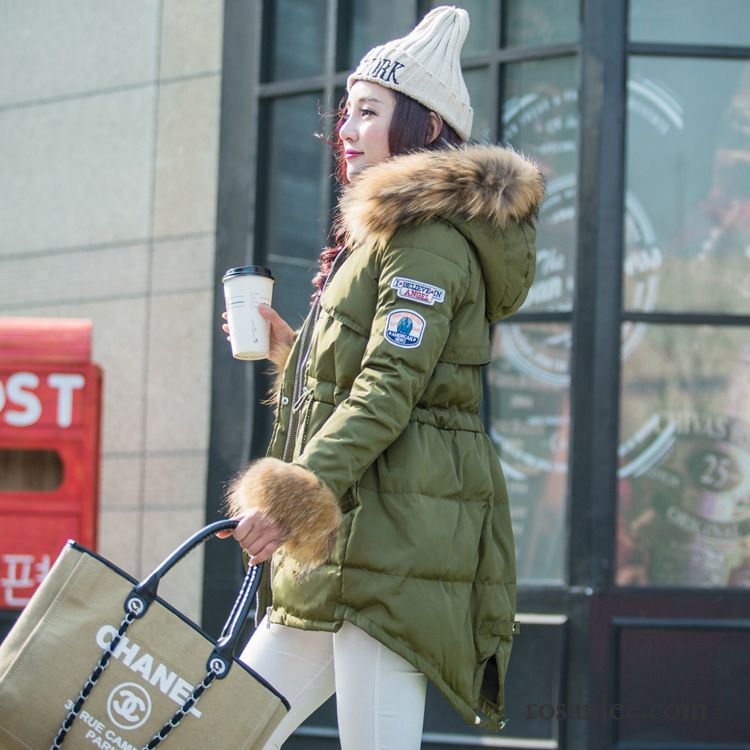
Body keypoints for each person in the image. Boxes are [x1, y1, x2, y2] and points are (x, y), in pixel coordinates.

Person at [221, 6, 544, 748]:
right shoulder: (386, 237)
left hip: (394, 548)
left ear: (426, 126)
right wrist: (290, 352)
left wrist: (295, 497)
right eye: (346, 110)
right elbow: (384, 372)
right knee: (226, 732)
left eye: (368, 111)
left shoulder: (428, 236)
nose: (346, 126)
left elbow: (389, 389)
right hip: (348, 544)